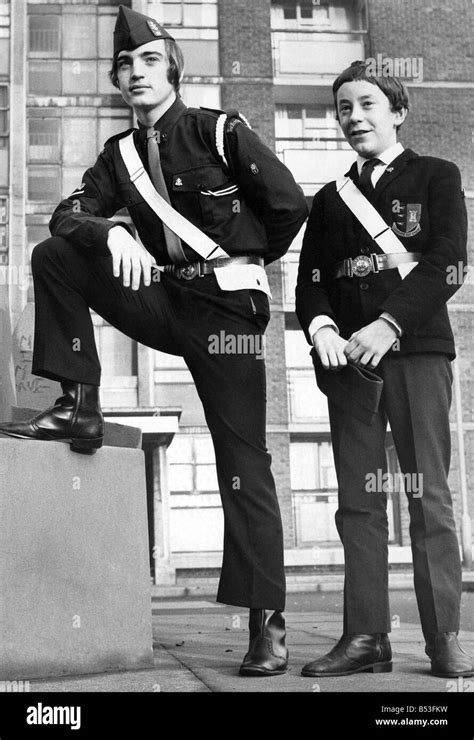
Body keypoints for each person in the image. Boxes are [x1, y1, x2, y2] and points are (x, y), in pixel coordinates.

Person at [0, 5, 308, 676]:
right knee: (56, 253)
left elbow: (288, 205)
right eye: (123, 66)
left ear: (171, 67)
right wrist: (109, 232)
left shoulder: (219, 132)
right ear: (116, 82)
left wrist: (245, 264)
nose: (134, 73)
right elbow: (68, 212)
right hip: (166, 301)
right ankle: (79, 401)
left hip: (226, 316)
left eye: (147, 60)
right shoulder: (119, 158)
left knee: (242, 458)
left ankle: (266, 621)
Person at [296, 60, 473, 678]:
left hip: (416, 351)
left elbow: (449, 258)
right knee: (357, 504)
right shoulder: (328, 199)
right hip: (350, 366)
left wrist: (390, 322)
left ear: (398, 112)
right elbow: (310, 281)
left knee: (428, 498)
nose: (354, 117)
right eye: (344, 107)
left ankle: (443, 636)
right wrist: (321, 329)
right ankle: (366, 637)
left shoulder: (436, 176)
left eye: (367, 104)